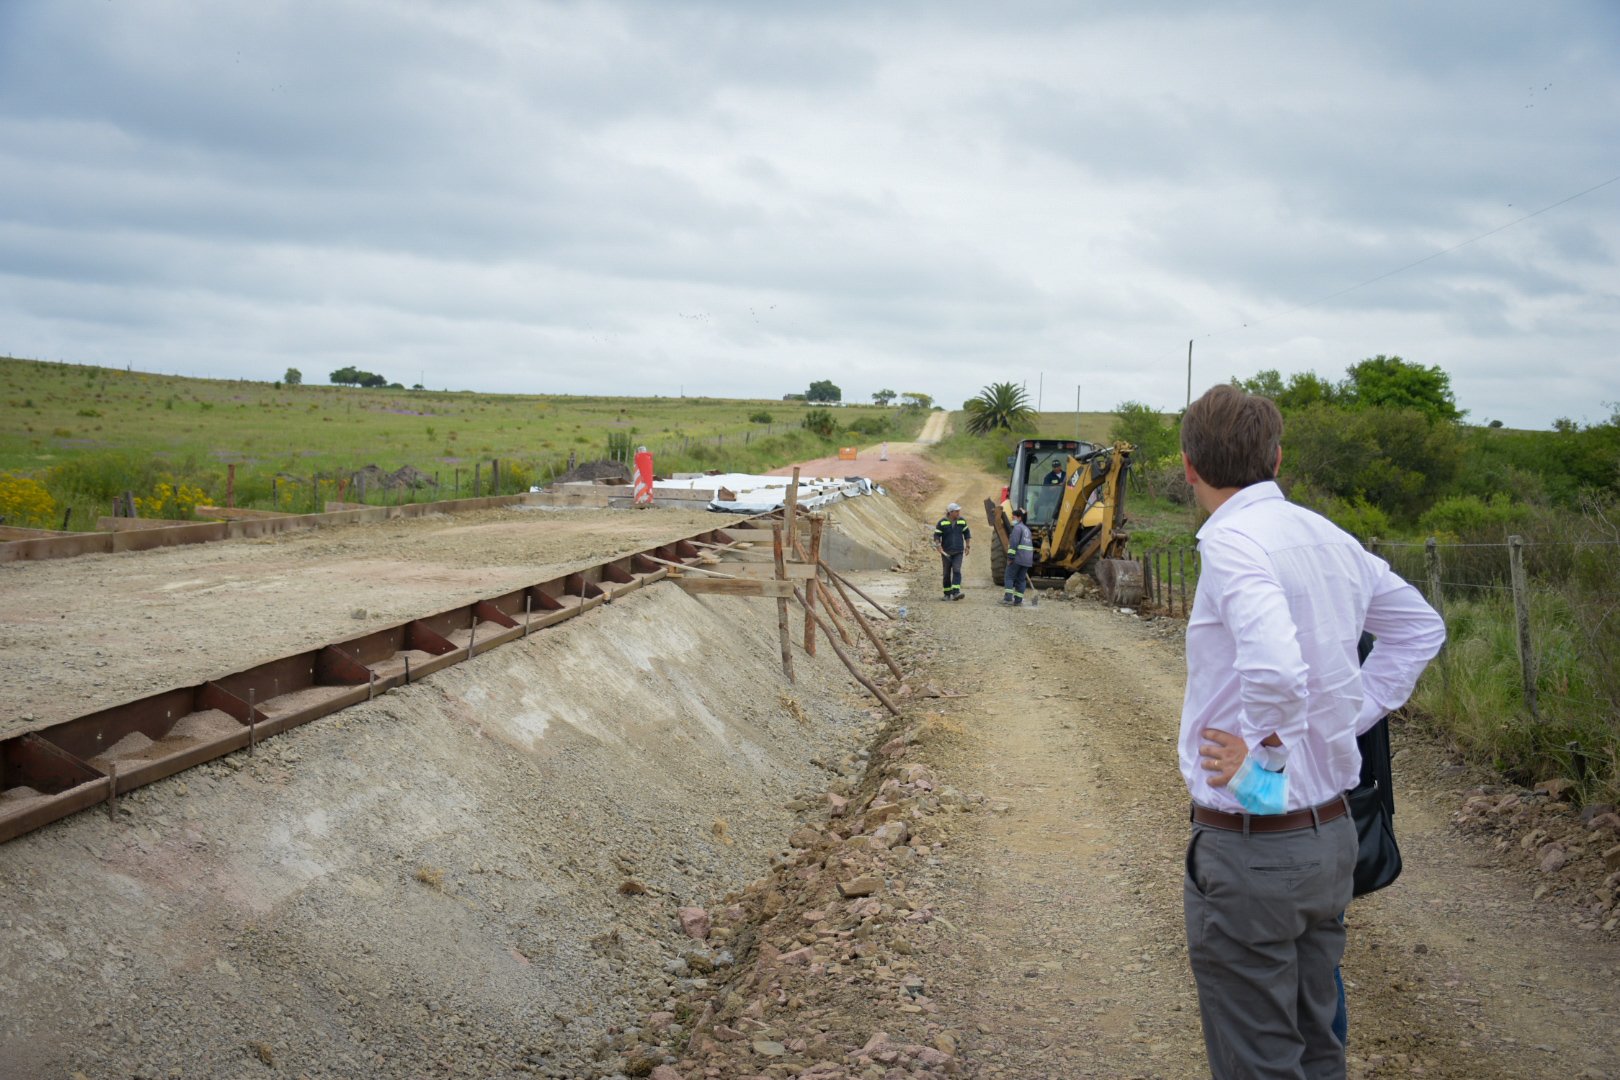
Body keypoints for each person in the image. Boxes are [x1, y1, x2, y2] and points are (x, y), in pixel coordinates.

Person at [1177, 384, 1444, 1080]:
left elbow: (1275, 669)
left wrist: (1267, 753)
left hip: (1258, 847)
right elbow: (1420, 627)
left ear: (1189, 468)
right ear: (1277, 456)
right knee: (1317, 1045)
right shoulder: (1328, 537)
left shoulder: (1233, 541)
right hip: (1332, 839)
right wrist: (1349, 718)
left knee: (1259, 1059)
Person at [933, 502, 971, 601]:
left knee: (957, 570)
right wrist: (938, 545)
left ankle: (956, 592)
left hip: (958, 551)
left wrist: (967, 546)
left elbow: (967, 533)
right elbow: (937, 535)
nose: (959, 513)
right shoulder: (942, 522)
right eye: (956, 511)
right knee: (946, 573)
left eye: (959, 511)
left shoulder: (962, 521)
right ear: (950, 512)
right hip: (946, 552)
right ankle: (947, 594)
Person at [1002, 507, 1034, 605]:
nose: (1012, 519)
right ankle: (1018, 600)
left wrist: (1010, 557)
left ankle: (1008, 599)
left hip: (1018, 558)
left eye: (1014, 517)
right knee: (1021, 579)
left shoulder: (1017, 528)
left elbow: (1014, 544)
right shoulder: (1027, 529)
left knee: (1009, 577)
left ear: (1019, 518)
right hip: (1027, 560)